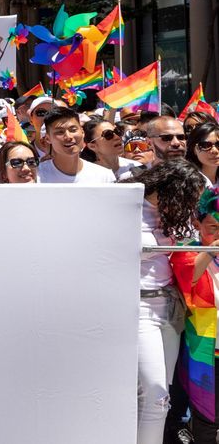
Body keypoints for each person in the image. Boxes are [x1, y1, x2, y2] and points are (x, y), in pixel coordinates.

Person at [122, 160, 207, 444]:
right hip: (138, 308)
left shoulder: (171, 215)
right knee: (155, 394)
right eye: (189, 198)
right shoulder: (126, 209)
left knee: (161, 395)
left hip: (170, 309)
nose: (191, 205)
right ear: (173, 190)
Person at [171, 184, 219, 443]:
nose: (218, 233)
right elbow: (187, 280)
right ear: (197, 223)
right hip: (205, 349)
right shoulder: (186, 249)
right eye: (213, 227)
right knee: (207, 415)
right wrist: (213, 249)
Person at [36, 108, 116, 184]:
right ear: (47, 138)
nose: (68, 137)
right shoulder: (37, 175)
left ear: (82, 132)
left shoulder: (105, 177)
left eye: (73, 130)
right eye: (60, 132)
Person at [187, 122, 219, 186]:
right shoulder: (188, 183)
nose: (215, 151)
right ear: (194, 150)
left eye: (218, 144)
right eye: (206, 145)